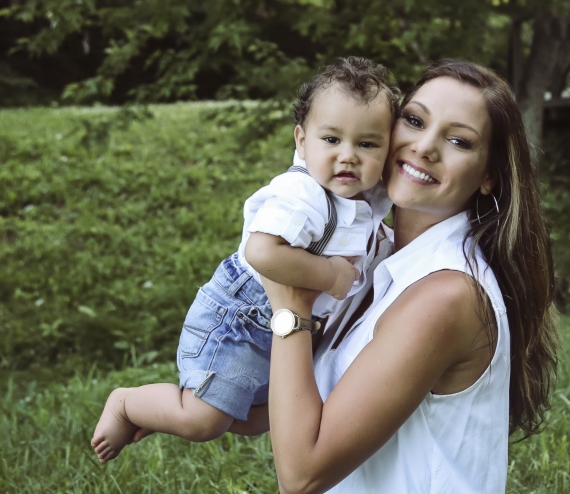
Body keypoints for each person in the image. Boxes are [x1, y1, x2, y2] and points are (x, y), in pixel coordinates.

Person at [260, 59, 560, 493]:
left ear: (488, 177)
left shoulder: (447, 295)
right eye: (415, 121)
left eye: (458, 140)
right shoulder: (377, 256)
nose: (424, 147)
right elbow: (293, 405)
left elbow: (302, 475)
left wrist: (290, 309)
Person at [90, 57, 399, 464]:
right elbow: (262, 251)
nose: (348, 156)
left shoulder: (365, 196)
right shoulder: (303, 195)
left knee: (263, 420)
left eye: (367, 144)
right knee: (203, 421)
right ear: (301, 140)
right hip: (241, 316)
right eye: (331, 139)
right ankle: (128, 404)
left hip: (286, 326)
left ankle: (180, 408)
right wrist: (330, 274)